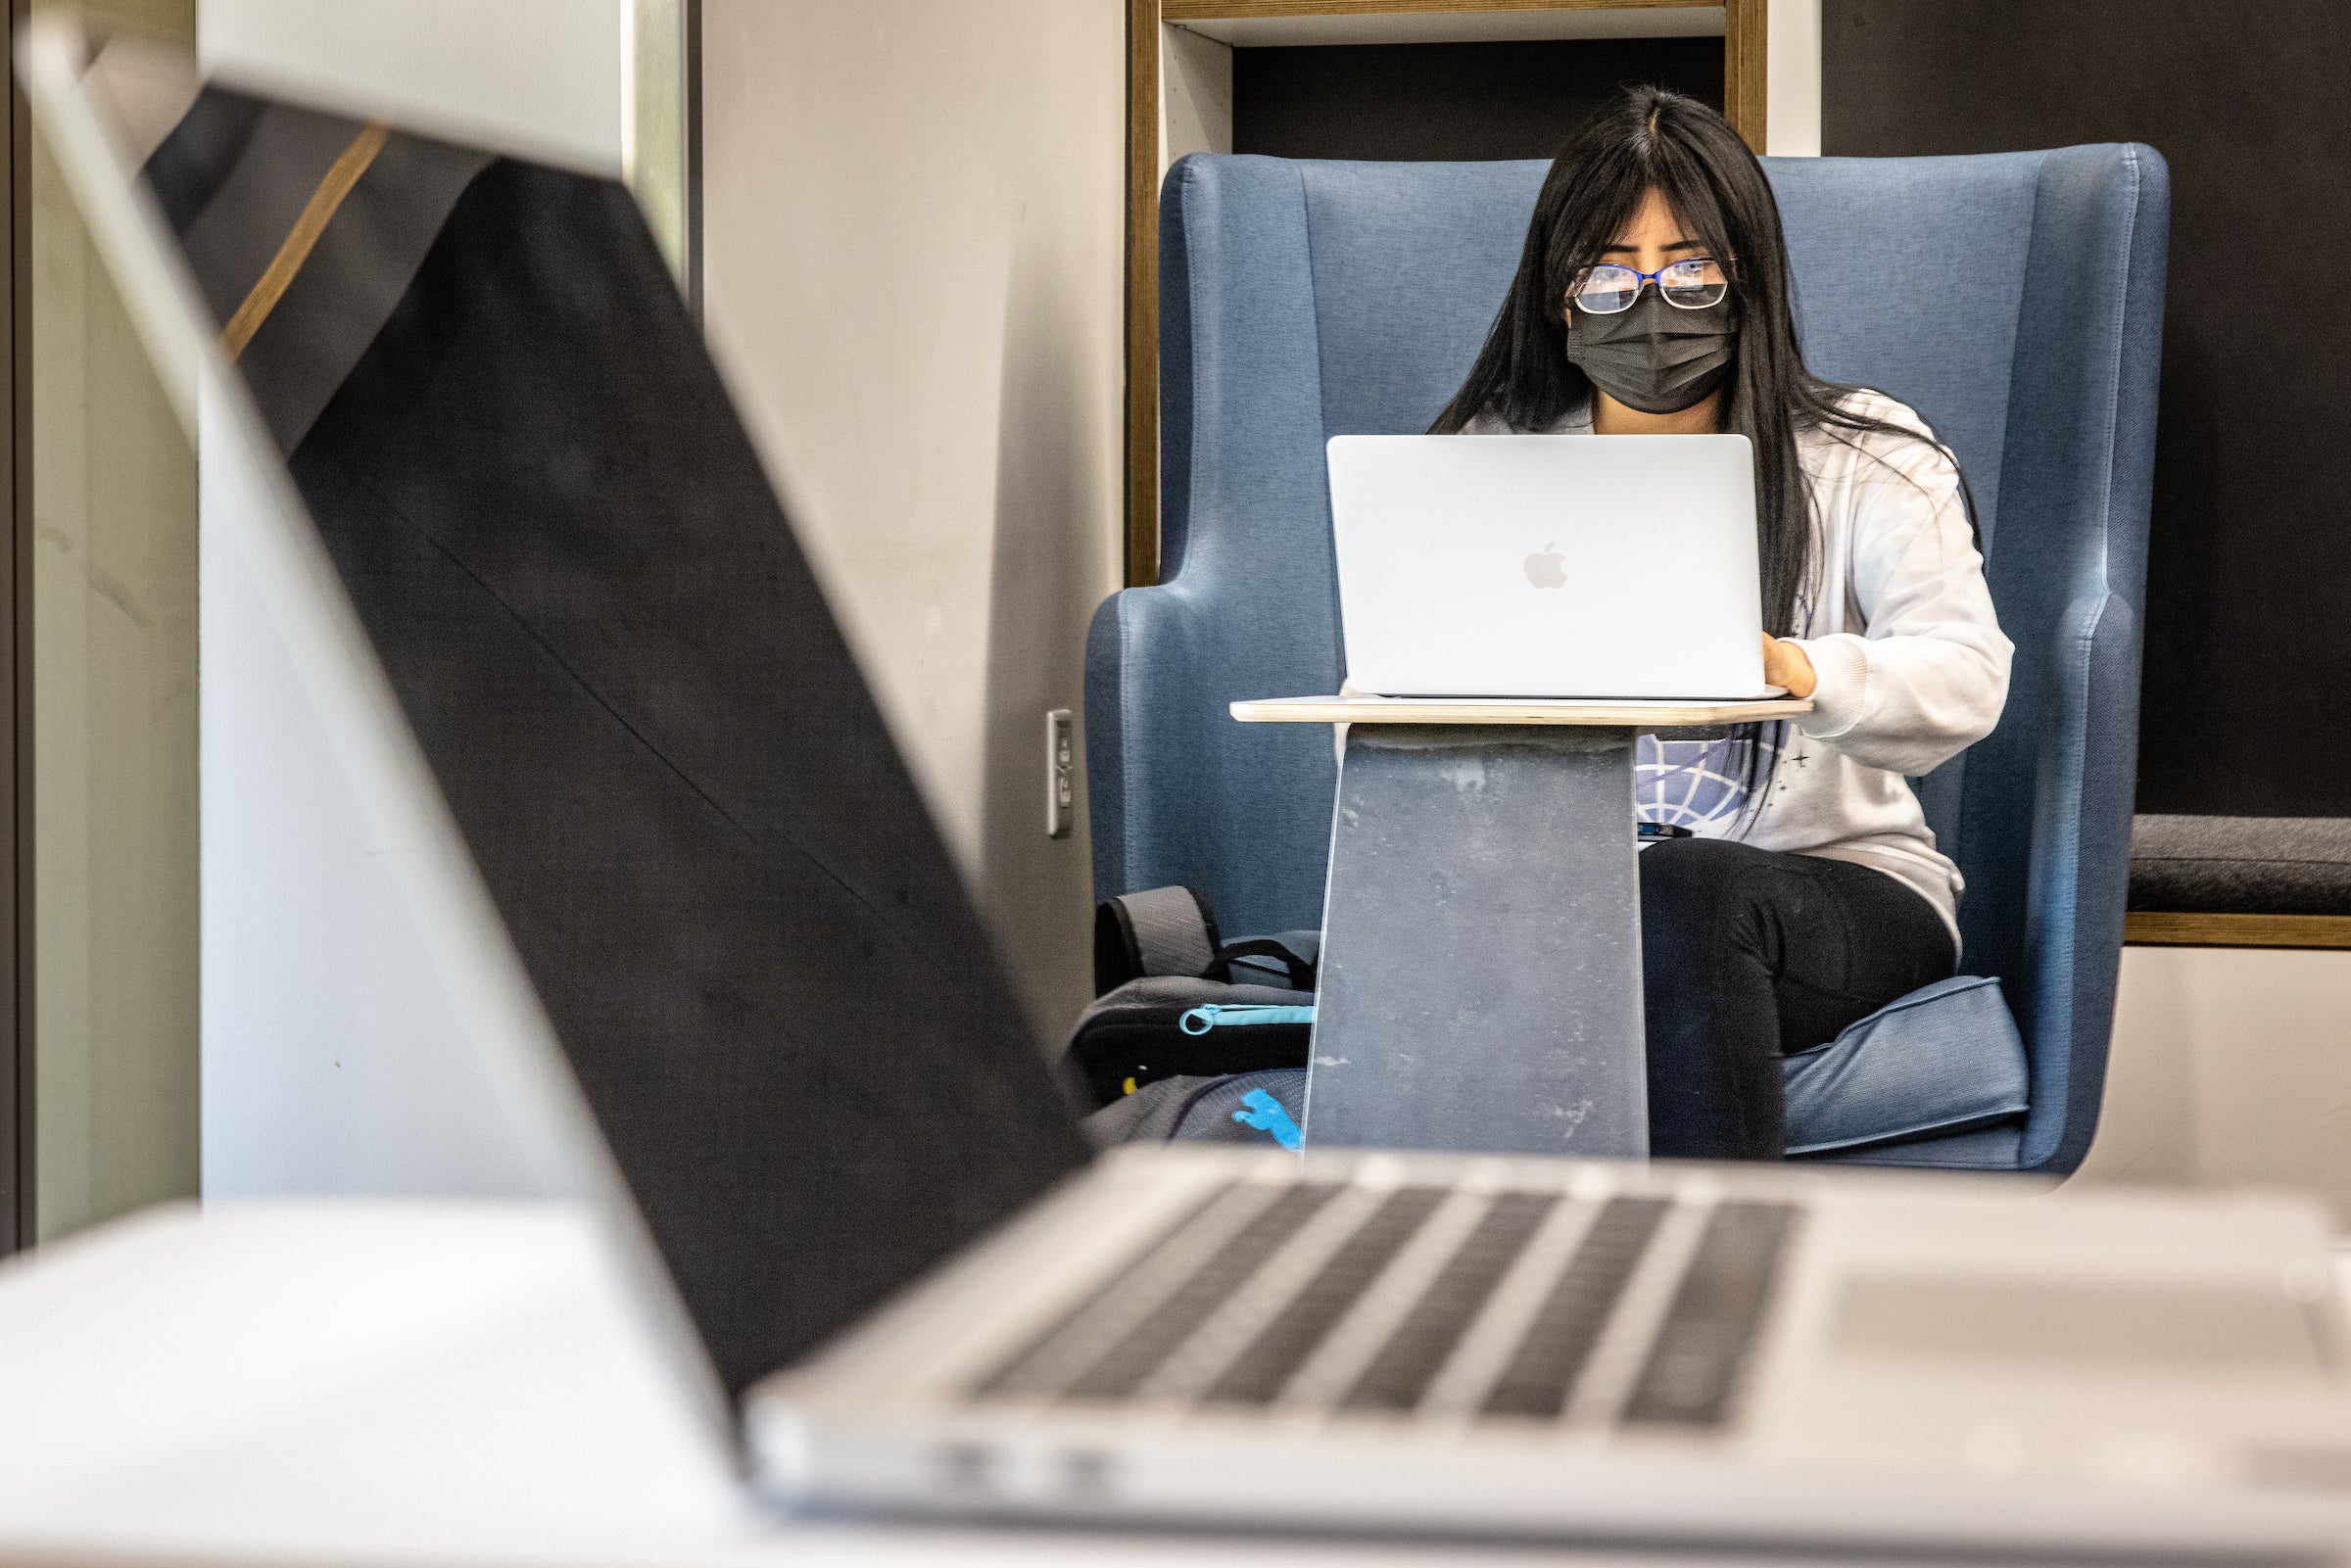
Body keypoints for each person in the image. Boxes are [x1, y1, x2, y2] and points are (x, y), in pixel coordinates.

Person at [1429, 85, 2012, 1160]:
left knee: (1685, 895)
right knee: (1482, 926)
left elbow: (1967, 677)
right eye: (1611, 267)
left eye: (1688, 265)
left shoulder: (1866, 453)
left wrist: (1792, 669)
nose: (1651, 300)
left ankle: (1715, 1285)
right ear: (1560, 294)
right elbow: (1391, 691)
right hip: (1563, 902)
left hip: (1831, 894)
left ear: (1745, 275)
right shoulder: (1494, 459)